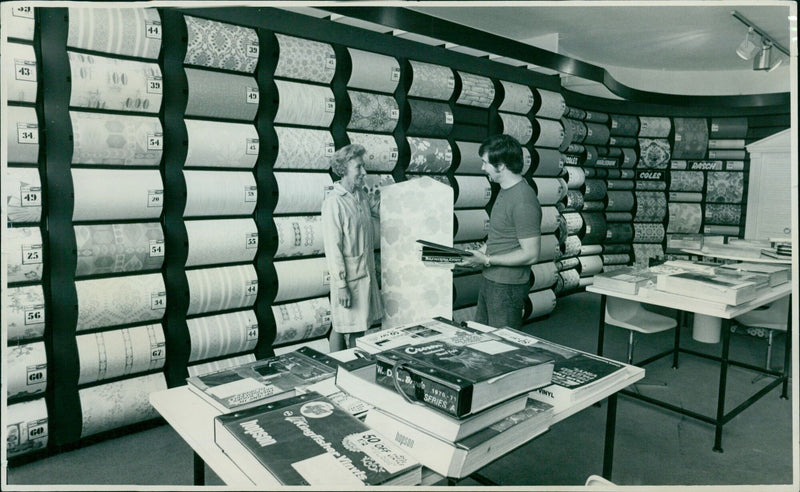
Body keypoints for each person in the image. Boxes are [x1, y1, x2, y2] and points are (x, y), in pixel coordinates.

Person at [459, 134, 542, 329]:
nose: (482, 168)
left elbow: (531, 254)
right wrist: (481, 253)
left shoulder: (523, 200)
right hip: (492, 279)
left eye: (485, 162)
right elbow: (499, 234)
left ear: (501, 165)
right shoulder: (505, 190)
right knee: (483, 338)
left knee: (503, 347)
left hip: (508, 286)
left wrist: (487, 260)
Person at [321, 144, 382, 351]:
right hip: (348, 278)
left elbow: (381, 211)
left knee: (353, 325)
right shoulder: (334, 202)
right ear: (344, 168)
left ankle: (343, 369)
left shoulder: (361, 196)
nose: (364, 172)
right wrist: (341, 286)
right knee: (345, 327)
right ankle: (344, 370)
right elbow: (333, 248)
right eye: (359, 167)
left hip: (364, 273)